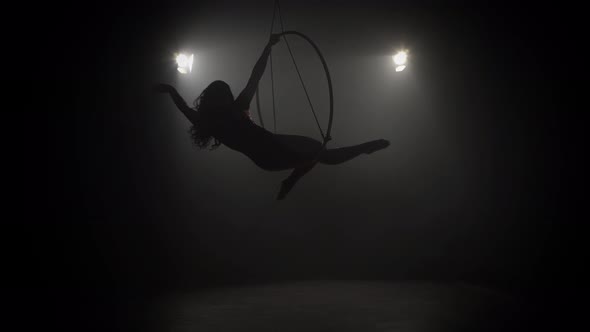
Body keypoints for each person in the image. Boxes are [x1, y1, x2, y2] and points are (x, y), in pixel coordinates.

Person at [156, 34, 390, 199]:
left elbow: (185, 107)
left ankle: (291, 181)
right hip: (273, 147)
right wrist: (268, 47)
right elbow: (254, 77)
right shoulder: (235, 110)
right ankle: (364, 148)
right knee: (320, 153)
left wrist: (170, 90)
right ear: (222, 98)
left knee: (315, 153)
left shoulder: (210, 122)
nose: (229, 96)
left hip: (265, 159)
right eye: (226, 93)